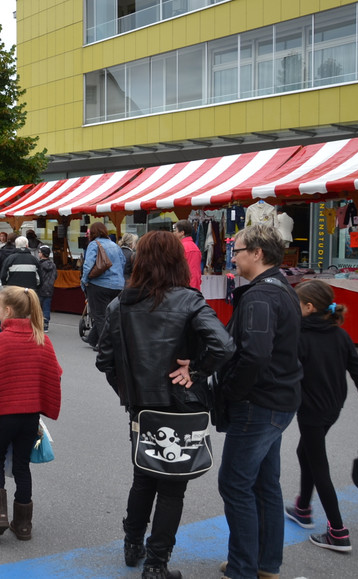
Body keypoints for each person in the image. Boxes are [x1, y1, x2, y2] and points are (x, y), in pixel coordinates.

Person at [96, 230, 234, 579]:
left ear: (140, 261)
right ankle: (157, 564)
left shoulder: (120, 304)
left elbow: (105, 360)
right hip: (182, 406)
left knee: (143, 476)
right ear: (177, 261)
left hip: (142, 407)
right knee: (173, 487)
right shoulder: (190, 300)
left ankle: (132, 545)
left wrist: (127, 392)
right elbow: (224, 346)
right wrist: (197, 371)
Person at [216, 224, 302, 579]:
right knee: (264, 484)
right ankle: (265, 565)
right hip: (277, 399)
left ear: (258, 253)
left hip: (259, 402)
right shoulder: (282, 288)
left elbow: (254, 355)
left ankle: (244, 568)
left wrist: (231, 390)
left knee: (236, 483)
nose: (232, 257)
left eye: (237, 250)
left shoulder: (260, 296)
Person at [285, 279, 358, 553]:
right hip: (332, 408)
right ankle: (303, 508)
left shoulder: (300, 336)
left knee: (318, 466)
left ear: (308, 306)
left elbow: (287, 374)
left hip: (311, 410)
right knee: (304, 451)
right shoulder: (340, 334)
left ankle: (338, 532)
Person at [0, 286, 63, 541]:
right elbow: (54, 374)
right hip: (30, 415)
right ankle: (24, 524)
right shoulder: (42, 339)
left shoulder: (0, 340)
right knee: (22, 465)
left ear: (7, 311)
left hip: (4, 412)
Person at [79, 222, 126, 349]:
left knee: (99, 315)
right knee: (109, 314)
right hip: (117, 285)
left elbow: (88, 265)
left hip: (99, 284)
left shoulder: (94, 244)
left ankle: (104, 344)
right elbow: (123, 263)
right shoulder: (115, 245)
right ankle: (92, 338)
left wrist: (84, 281)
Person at [0, 236, 41, 332]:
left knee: (13, 309)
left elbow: (3, 275)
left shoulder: (10, 259)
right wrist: (36, 287)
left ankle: (5, 328)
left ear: (16, 246)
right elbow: (39, 278)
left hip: (13, 290)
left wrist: (6, 285)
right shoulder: (34, 260)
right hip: (30, 290)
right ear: (27, 245)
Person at [173, 220, 202, 290]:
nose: (173, 233)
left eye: (175, 231)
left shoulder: (181, 248)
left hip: (185, 287)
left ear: (182, 233)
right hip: (192, 285)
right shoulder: (194, 247)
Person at [36, 245, 57, 332]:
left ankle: (37, 323)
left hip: (40, 288)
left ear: (43, 254)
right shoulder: (53, 265)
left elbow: (37, 277)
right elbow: (55, 276)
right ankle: (45, 324)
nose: (38, 254)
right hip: (49, 288)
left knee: (38, 307)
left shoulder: (39, 265)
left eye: (39, 252)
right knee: (47, 307)